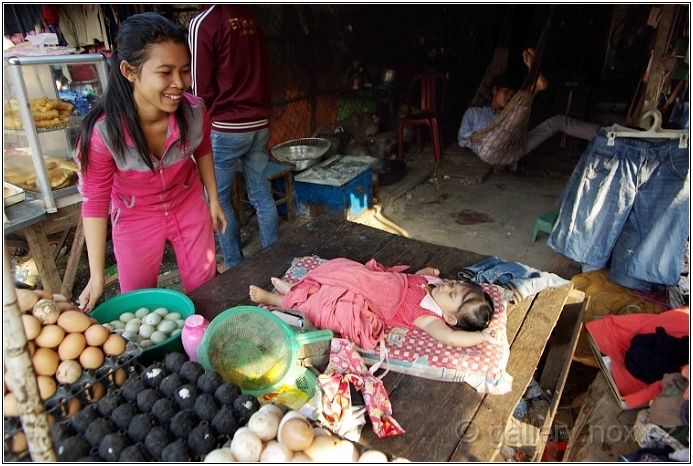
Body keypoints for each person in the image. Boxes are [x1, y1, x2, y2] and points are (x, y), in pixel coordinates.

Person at [76, 12, 227, 312]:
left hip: (187, 204)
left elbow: (203, 148)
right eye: (165, 72)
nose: (179, 83)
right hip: (135, 217)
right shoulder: (103, 133)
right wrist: (96, 276)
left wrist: (213, 199)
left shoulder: (195, 111)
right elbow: (94, 203)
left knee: (207, 291)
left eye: (185, 71)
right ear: (129, 71)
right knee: (138, 304)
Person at [188, 5, 279, 273]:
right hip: (259, 122)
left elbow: (198, 91)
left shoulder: (204, 22)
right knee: (261, 192)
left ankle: (236, 266)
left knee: (219, 198)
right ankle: (276, 259)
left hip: (226, 126)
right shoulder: (250, 16)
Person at [249, 258, 498, 351]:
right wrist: (427, 272)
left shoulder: (429, 317)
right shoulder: (435, 282)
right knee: (342, 268)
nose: (448, 286)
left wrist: (481, 337)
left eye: (453, 295)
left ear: (451, 318)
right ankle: (299, 286)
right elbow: (414, 278)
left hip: (368, 300)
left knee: (327, 305)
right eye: (454, 284)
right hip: (373, 280)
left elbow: (452, 339)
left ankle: (276, 299)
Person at [458, 48, 600, 163]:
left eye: (512, 94)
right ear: (495, 90)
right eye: (506, 92)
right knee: (508, 120)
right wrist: (483, 136)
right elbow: (462, 138)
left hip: (515, 148)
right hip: (489, 149)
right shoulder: (474, 113)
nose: (509, 96)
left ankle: (605, 133)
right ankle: (535, 87)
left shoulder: (510, 111)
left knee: (558, 121)